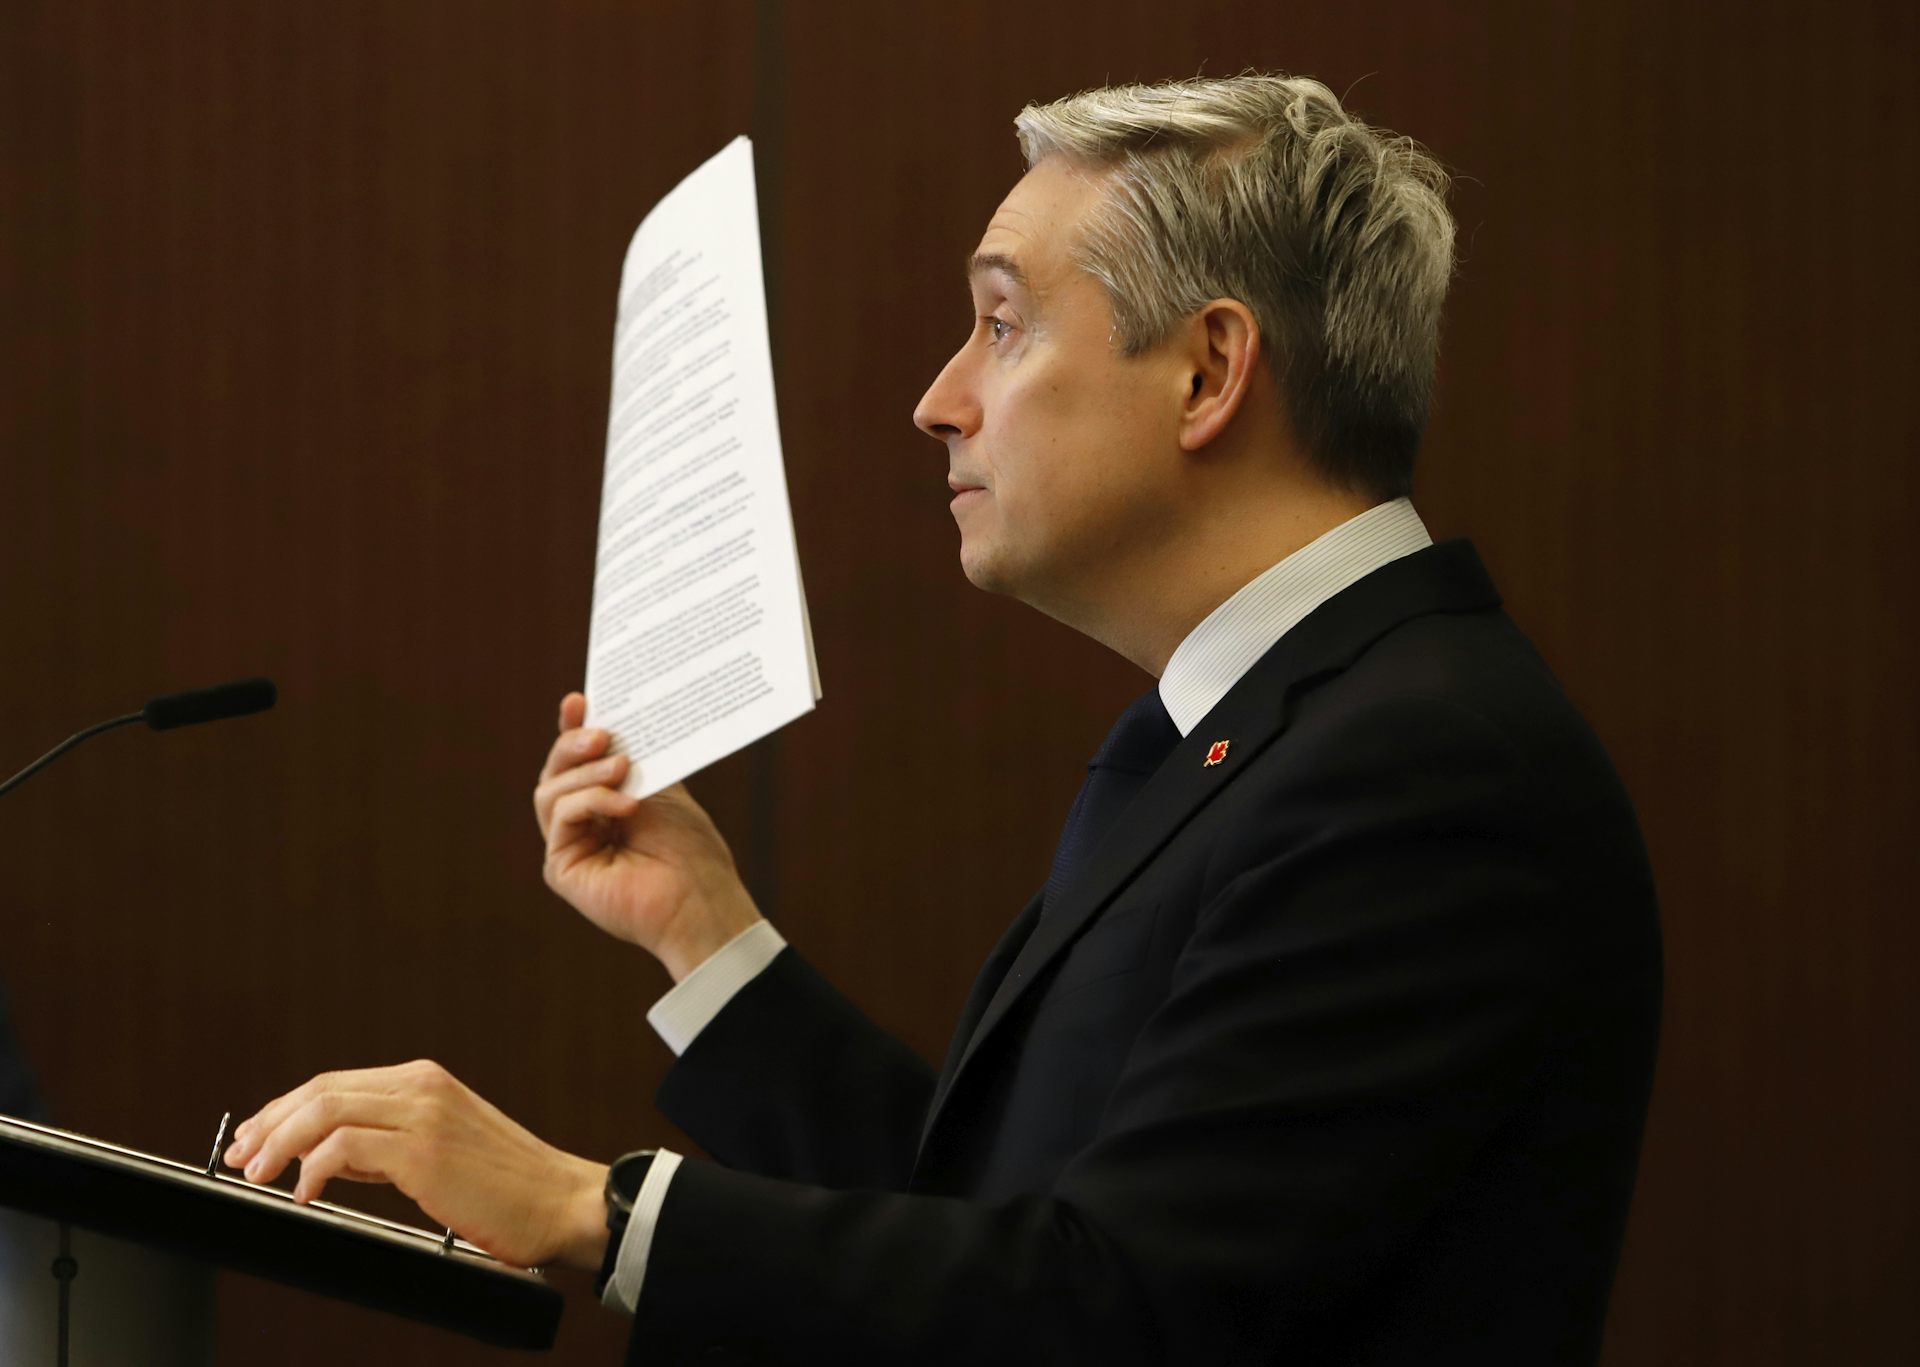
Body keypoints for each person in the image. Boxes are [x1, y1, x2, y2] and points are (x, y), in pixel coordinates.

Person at [225, 73, 1662, 1364]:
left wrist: (585, 1207)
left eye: (1001, 324)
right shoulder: (1259, 732)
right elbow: (994, 1219)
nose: (936, 401)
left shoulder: (1428, 768)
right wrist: (707, 940)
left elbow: (1122, 1309)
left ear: (1209, 372)